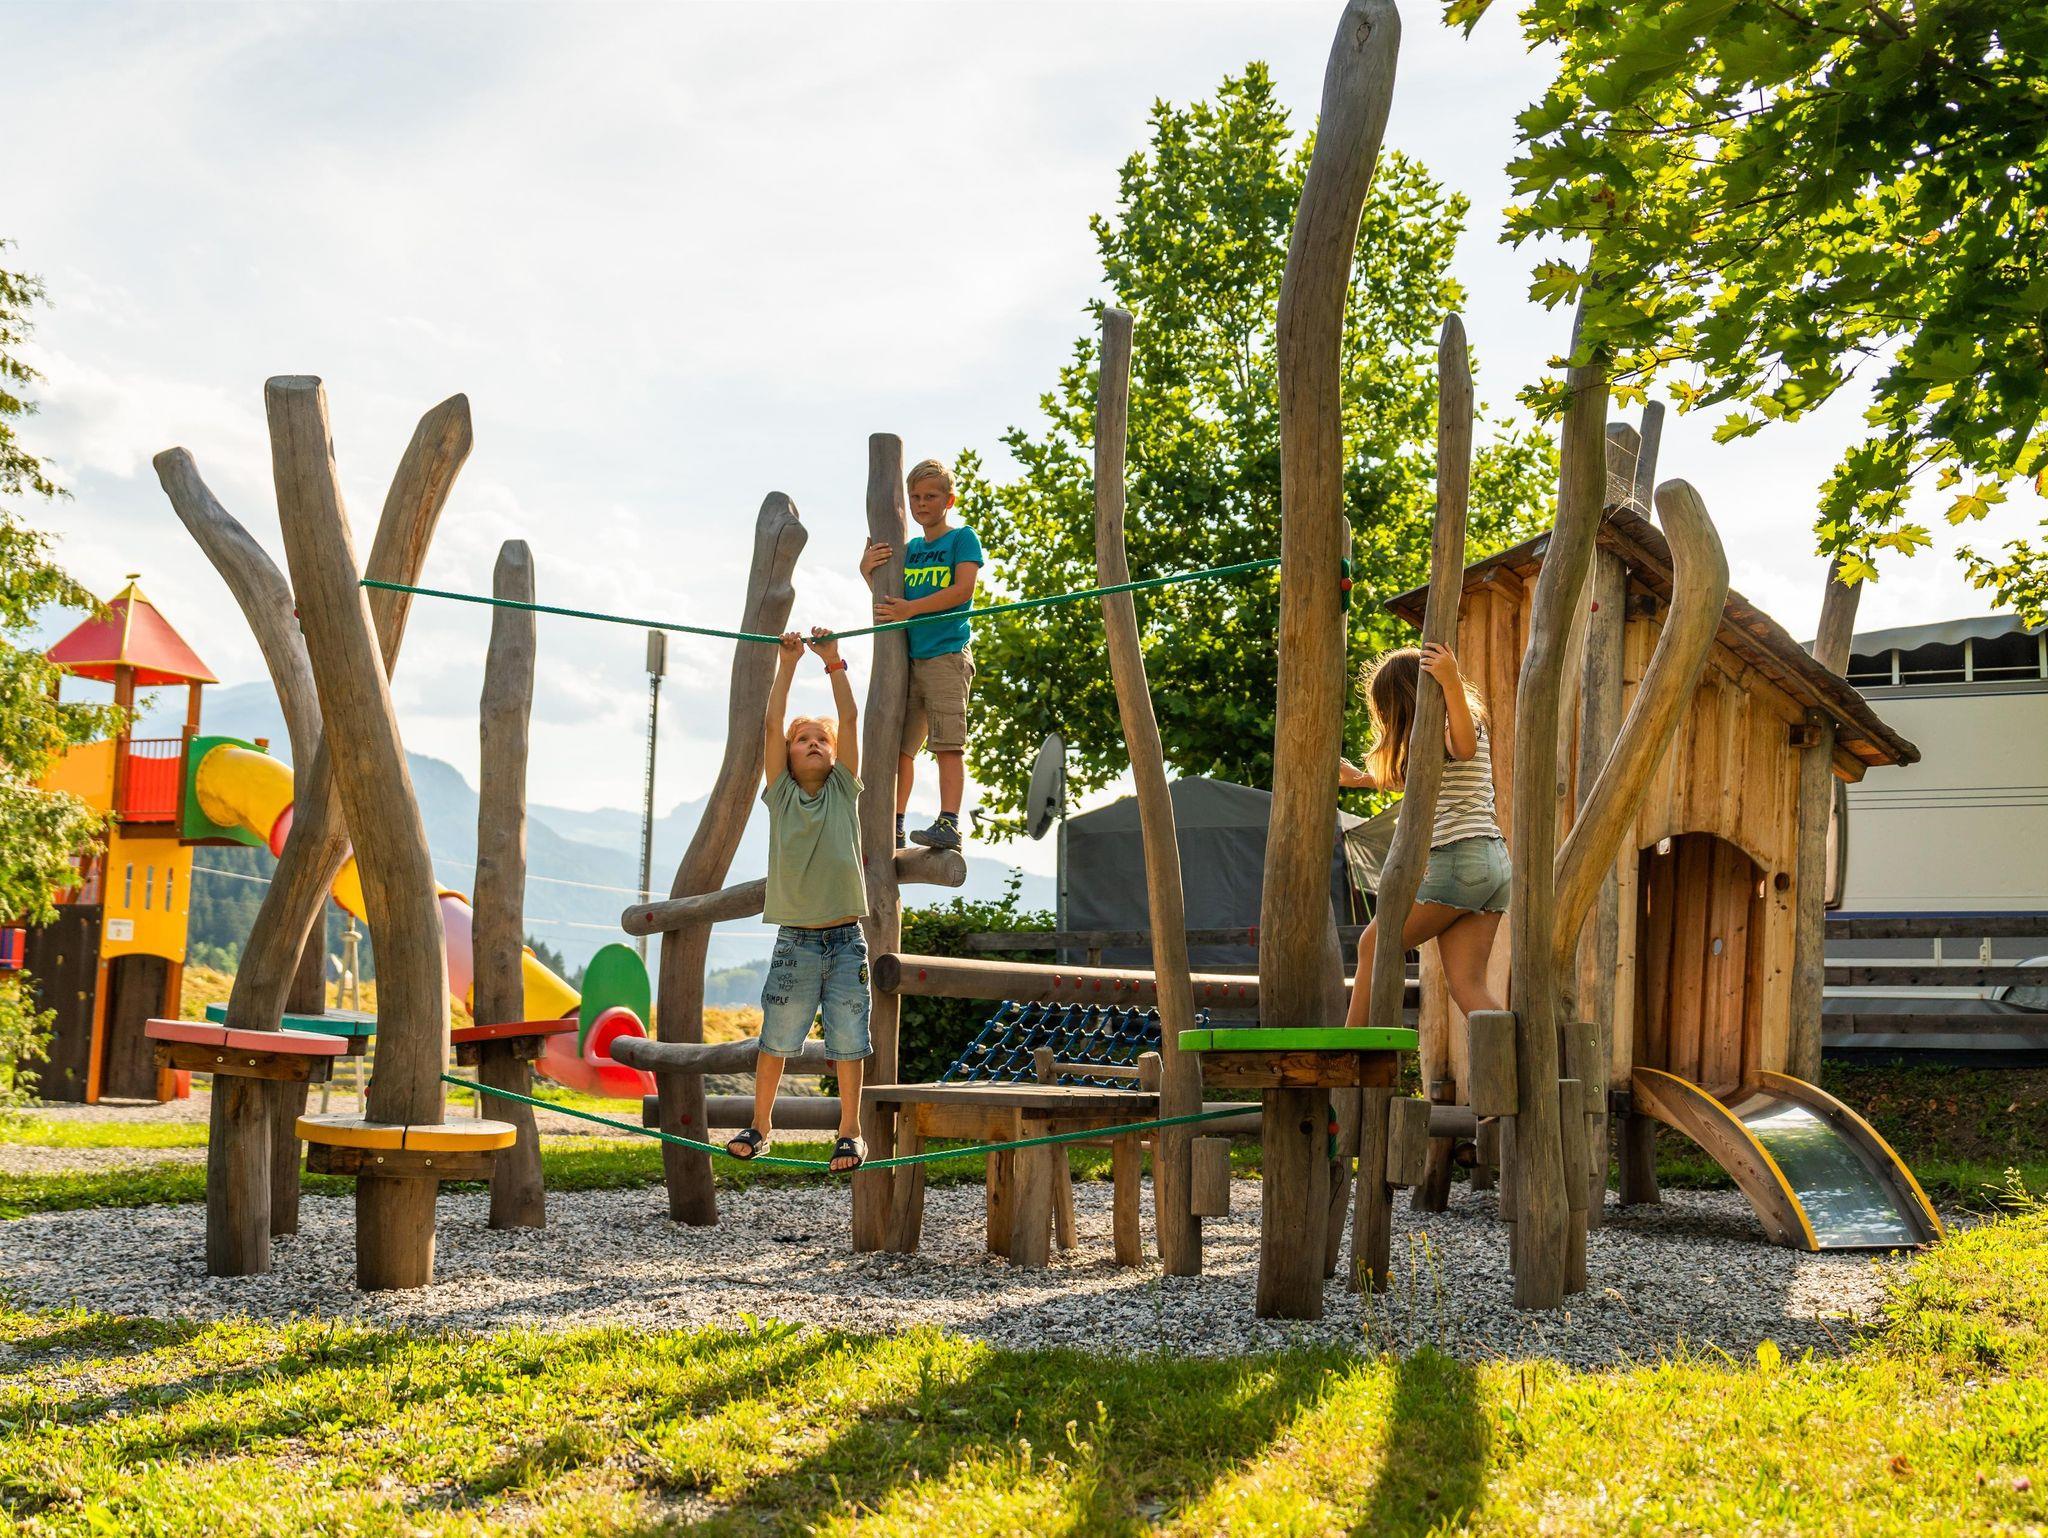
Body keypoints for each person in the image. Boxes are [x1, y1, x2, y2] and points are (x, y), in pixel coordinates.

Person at [726, 627, 870, 1172]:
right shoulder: (781, 794)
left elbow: (850, 719)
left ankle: (850, 1132)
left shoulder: (843, 789)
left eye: (821, 740)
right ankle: (760, 1126)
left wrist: (833, 661)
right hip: (796, 942)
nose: (813, 743)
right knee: (777, 1037)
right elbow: (771, 724)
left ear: (835, 756)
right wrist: (786, 664)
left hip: (846, 939)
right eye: (802, 738)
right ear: (786, 755)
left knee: (849, 1038)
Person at [1340, 641, 1509, 1028]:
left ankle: (1351, 1049)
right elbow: (1414, 777)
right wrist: (1361, 779)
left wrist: (1450, 681)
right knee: (1468, 985)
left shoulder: (1454, 723)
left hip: (1460, 861)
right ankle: (1521, 1060)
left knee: (1373, 944)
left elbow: (1463, 748)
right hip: (1492, 866)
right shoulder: (1436, 737)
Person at [859, 457, 982, 851]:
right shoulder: (909, 549)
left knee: (947, 743)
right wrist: (867, 572)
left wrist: (912, 609)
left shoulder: (961, 539)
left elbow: (963, 590)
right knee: (900, 747)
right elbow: (892, 602)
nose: (922, 503)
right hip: (909, 661)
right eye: (915, 497)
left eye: (931, 496)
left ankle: (949, 822)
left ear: (949, 500)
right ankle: (894, 823)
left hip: (946, 654)